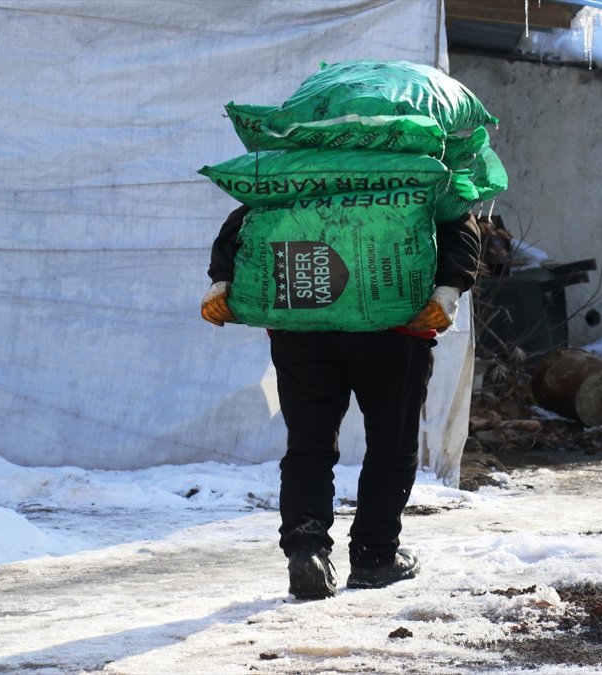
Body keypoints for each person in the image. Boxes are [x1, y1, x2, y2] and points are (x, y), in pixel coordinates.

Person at [200, 203, 482, 600]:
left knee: (309, 444)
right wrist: (449, 286)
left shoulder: (302, 164)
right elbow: (457, 218)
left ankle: (307, 551)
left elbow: (244, 222)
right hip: (394, 330)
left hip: (302, 330)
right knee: (392, 442)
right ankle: (374, 557)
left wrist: (222, 279)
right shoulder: (411, 162)